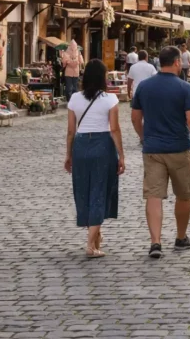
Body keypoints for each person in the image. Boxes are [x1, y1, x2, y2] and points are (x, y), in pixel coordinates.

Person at [130, 45, 190, 259]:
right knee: (184, 195)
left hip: (153, 150)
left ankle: (155, 242)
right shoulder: (184, 88)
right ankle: (180, 238)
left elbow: (135, 118)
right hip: (179, 148)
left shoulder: (144, 87)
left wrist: (144, 137)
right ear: (177, 62)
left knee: (153, 196)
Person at [64, 58, 124, 259]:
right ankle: (90, 245)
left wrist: (68, 154)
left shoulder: (74, 99)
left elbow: (71, 131)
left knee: (84, 191)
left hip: (81, 145)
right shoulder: (110, 100)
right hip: (103, 145)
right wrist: (121, 155)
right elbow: (114, 129)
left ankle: (95, 235)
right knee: (100, 190)